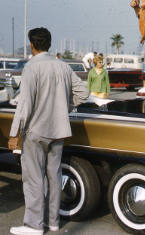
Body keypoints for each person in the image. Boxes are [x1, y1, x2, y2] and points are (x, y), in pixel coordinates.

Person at [8, 27, 89, 235]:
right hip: (59, 130)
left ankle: (34, 226)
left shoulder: (31, 67)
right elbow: (83, 93)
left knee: (34, 179)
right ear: (49, 44)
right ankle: (53, 223)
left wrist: (14, 133)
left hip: (36, 131)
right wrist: (64, 108)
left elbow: (24, 105)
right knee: (54, 177)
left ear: (32, 45)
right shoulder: (63, 66)